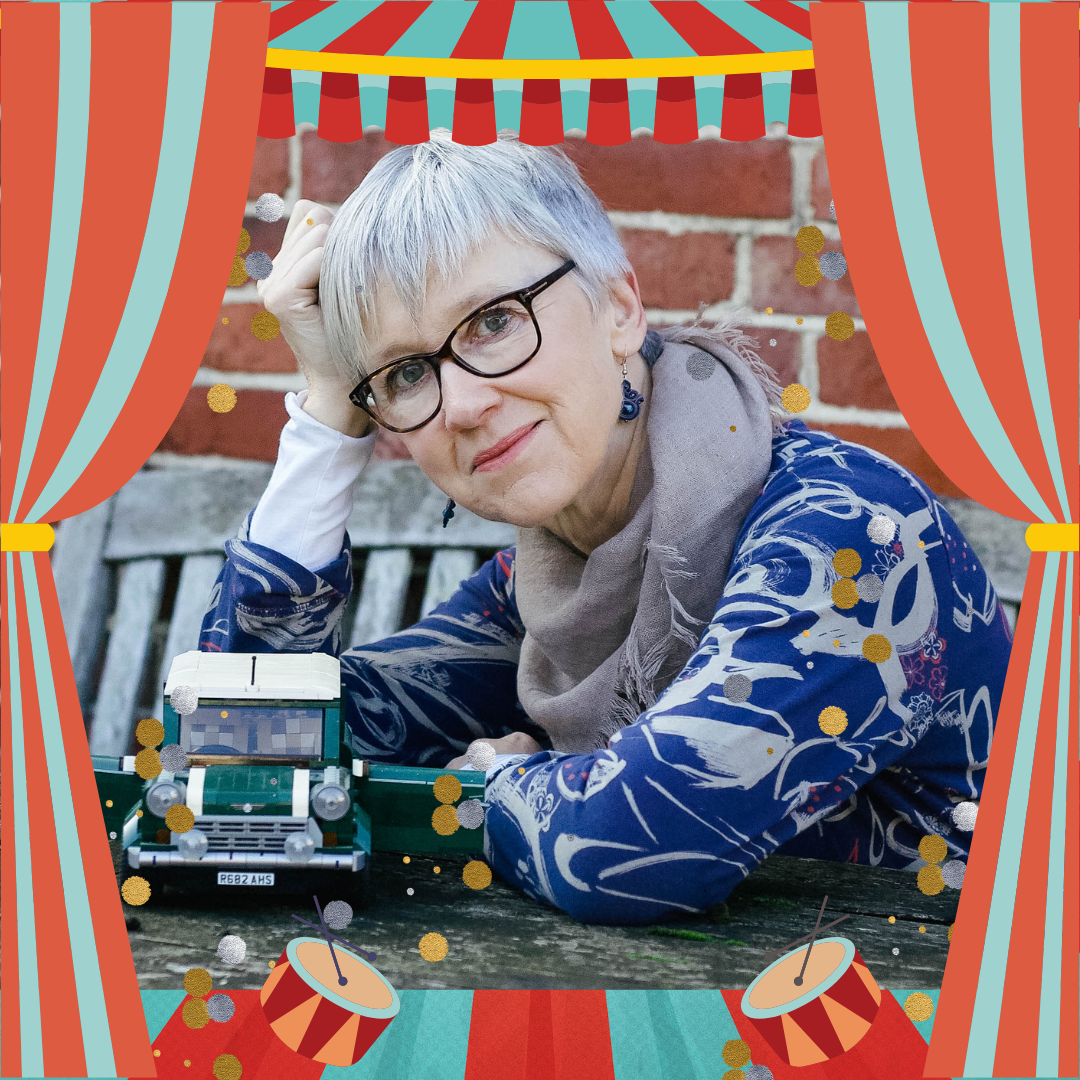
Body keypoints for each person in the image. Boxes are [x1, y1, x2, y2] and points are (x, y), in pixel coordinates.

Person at [200, 131, 1011, 926]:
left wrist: (486, 791)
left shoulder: (849, 538)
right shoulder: (551, 577)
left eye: (493, 322)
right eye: (407, 374)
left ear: (619, 308)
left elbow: (629, 851)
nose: (464, 405)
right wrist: (331, 406)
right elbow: (246, 749)